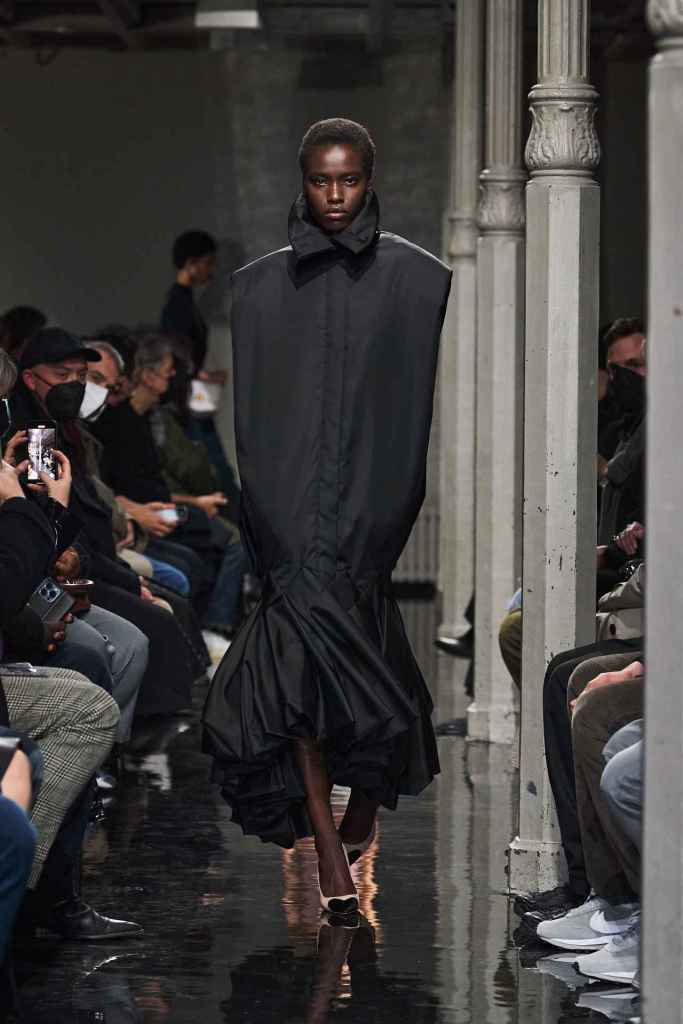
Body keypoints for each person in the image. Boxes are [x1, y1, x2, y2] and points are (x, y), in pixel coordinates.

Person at [203, 117, 452, 911]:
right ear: (302, 181)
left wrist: (389, 506)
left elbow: (405, 410)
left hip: (372, 511)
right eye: (320, 180)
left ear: (370, 179)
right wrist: (267, 511)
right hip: (287, 509)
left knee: (374, 671)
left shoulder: (416, 278)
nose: (334, 195)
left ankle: (365, 806)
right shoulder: (258, 286)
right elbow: (257, 416)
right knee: (297, 684)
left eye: (348, 179)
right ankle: (323, 837)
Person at [160, 231, 242, 507]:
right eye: (208, 263)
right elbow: (177, 353)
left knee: (214, 462)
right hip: (187, 397)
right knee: (213, 464)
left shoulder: (183, 301)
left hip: (191, 394)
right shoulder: (179, 304)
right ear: (191, 263)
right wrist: (202, 375)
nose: (211, 270)